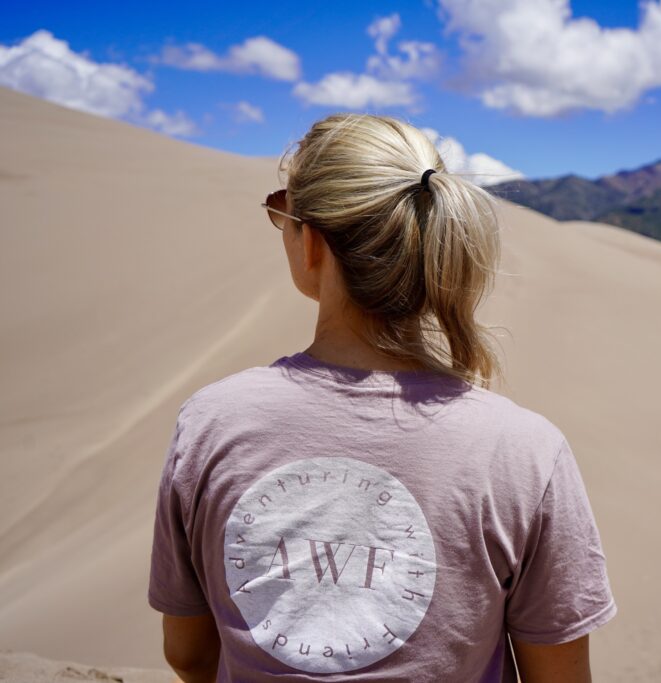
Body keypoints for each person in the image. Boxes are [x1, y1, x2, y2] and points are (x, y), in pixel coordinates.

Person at [147, 113, 617, 683]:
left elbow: (189, 655)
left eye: (282, 211)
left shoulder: (211, 423)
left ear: (313, 242)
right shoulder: (526, 451)